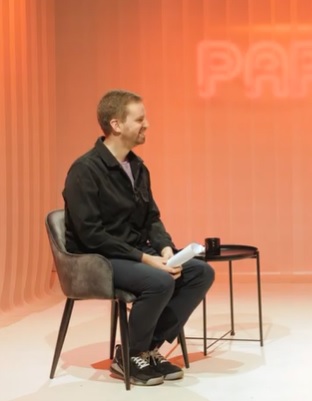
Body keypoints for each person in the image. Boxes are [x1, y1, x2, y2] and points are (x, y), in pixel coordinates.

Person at [63, 90, 215, 386]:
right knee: (159, 281)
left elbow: (151, 218)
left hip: (133, 253)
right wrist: (146, 259)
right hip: (97, 259)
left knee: (200, 273)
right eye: (140, 119)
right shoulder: (85, 170)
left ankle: (144, 349)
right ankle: (132, 354)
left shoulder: (137, 167)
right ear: (116, 124)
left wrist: (166, 249)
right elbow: (91, 234)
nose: (147, 125)